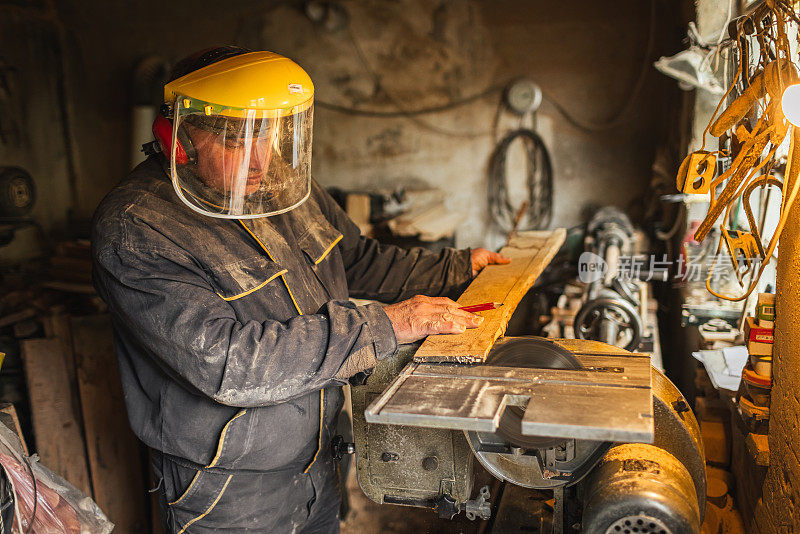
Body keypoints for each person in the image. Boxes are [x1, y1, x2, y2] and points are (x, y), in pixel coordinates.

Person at [91, 46, 509, 533]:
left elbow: (355, 258)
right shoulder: (137, 228)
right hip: (228, 490)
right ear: (178, 140)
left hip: (320, 456)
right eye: (236, 142)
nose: (260, 159)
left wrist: (455, 268)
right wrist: (389, 323)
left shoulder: (277, 185)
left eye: (267, 135)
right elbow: (229, 363)